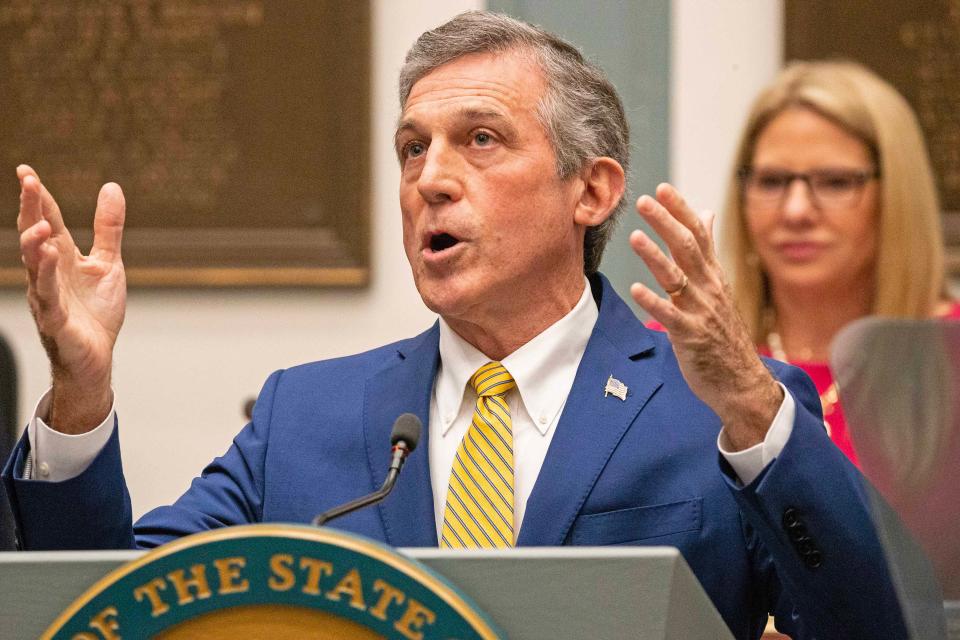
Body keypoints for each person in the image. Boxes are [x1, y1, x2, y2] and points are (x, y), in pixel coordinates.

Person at [3, 12, 906, 639]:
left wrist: (749, 403)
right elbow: (102, 609)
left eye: (480, 139)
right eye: (412, 148)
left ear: (590, 190)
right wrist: (80, 395)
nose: (430, 178)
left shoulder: (718, 411)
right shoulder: (305, 416)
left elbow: (869, 624)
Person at [720, 60, 960, 465]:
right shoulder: (684, 355)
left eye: (835, 182)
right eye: (772, 181)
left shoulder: (949, 354)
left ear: (897, 197)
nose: (795, 211)